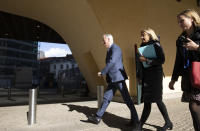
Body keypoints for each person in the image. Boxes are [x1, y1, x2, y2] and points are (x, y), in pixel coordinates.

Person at [88, 34, 139, 127]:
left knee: (127, 99)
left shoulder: (116, 48)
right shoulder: (110, 50)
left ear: (109, 39)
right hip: (113, 79)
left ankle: (136, 120)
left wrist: (103, 71)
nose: (103, 43)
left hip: (118, 78)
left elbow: (112, 62)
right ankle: (98, 117)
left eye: (104, 41)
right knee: (106, 98)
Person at [133, 28, 173, 131]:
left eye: (143, 35)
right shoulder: (142, 46)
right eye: (141, 35)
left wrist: (147, 60)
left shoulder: (156, 45)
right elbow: (140, 64)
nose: (141, 37)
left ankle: (168, 122)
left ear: (150, 35)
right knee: (147, 101)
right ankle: (140, 125)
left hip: (155, 76)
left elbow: (162, 59)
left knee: (158, 100)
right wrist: (139, 76)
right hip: (146, 76)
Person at [169, 9, 200, 131]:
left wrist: (197, 47)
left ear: (191, 19)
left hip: (199, 74)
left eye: (182, 20)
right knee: (194, 108)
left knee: (194, 107)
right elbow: (178, 61)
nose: (180, 24)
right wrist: (173, 79)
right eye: (178, 22)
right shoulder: (180, 39)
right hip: (190, 77)